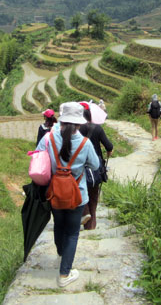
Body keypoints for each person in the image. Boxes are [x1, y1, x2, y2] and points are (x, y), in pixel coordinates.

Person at [34, 102, 98, 287]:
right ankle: (64, 274)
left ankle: (62, 255)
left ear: (61, 120)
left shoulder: (48, 138)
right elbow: (95, 165)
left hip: (54, 193)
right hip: (77, 195)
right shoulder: (84, 143)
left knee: (59, 226)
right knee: (72, 233)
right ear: (79, 123)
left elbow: (38, 157)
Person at [79, 102, 113, 230]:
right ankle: (91, 225)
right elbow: (109, 146)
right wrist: (109, 152)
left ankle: (85, 214)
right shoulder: (98, 128)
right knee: (94, 195)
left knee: (83, 192)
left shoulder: (77, 129)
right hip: (95, 167)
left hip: (81, 166)